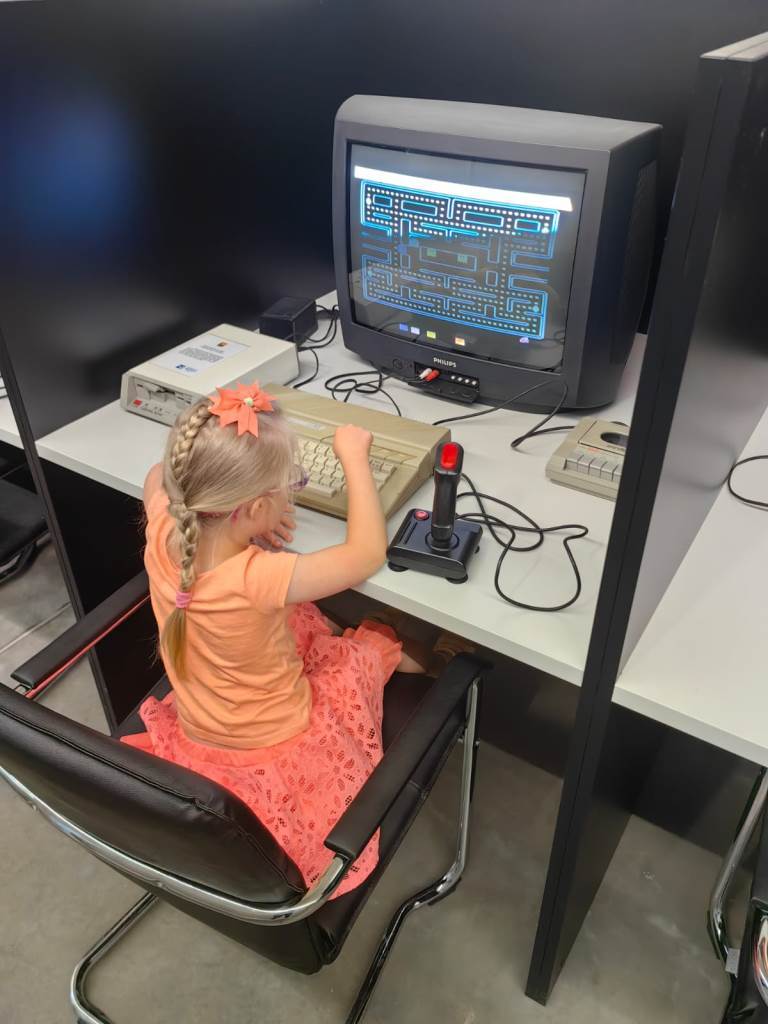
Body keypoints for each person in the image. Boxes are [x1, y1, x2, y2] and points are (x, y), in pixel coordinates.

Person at [122, 381, 429, 897]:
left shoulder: (163, 530)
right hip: (279, 741)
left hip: (202, 730)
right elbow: (366, 553)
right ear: (253, 507)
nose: (292, 494)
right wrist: (353, 457)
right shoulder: (260, 578)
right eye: (290, 487)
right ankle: (430, 662)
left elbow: (158, 475)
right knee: (364, 650)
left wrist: (241, 522)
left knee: (300, 621)